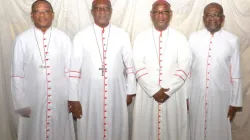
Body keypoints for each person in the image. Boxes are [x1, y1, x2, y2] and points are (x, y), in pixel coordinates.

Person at [68, 0, 136, 140]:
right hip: (88, 93)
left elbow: (130, 67)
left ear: (110, 11)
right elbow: (73, 71)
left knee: (116, 127)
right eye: (98, 8)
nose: (102, 11)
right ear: (92, 11)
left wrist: (130, 91)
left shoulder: (122, 35)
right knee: (89, 127)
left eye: (105, 8)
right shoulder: (81, 36)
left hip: (116, 92)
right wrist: (73, 98)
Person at [11, 0, 75, 140]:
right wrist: (20, 102)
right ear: (32, 15)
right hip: (32, 99)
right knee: (32, 131)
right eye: (38, 11)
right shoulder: (22, 39)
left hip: (60, 98)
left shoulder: (63, 38)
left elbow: (70, 71)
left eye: (46, 11)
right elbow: (17, 75)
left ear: (52, 15)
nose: (42, 15)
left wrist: (72, 97)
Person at [132, 0, 192, 140]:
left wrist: (168, 91)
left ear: (170, 14)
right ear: (151, 15)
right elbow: (137, 65)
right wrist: (154, 90)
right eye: (157, 12)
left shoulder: (180, 38)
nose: (160, 16)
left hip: (173, 94)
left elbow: (184, 66)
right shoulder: (141, 37)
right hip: (148, 94)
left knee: (173, 130)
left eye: (164, 12)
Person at [188, 2, 242, 140]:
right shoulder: (193, 38)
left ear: (222, 18)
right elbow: (188, 71)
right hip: (196, 94)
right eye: (209, 15)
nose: (212, 18)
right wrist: (186, 97)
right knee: (196, 128)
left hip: (221, 97)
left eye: (216, 15)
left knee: (219, 130)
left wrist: (234, 102)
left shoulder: (232, 40)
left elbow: (235, 74)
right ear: (203, 18)